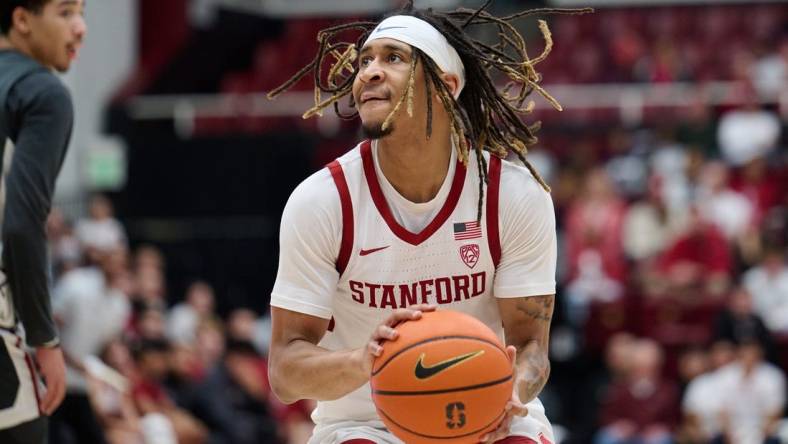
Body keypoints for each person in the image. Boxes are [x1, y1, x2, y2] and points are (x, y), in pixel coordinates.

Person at [267, 2, 590, 443]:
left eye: (393, 58)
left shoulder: (512, 195)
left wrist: (510, 391)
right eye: (365, 60)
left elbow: (532, 346)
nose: (370, 72)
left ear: (447, 84)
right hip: (365, 423)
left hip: (488, 417)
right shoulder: (322, 201)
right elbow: (285, 372)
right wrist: (365, 361)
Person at [0, 0, 86, 442]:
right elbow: (21, 224)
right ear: (21, 19)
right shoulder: (43, 92)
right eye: (66, 12)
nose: (81, 27)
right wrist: (45, 339)